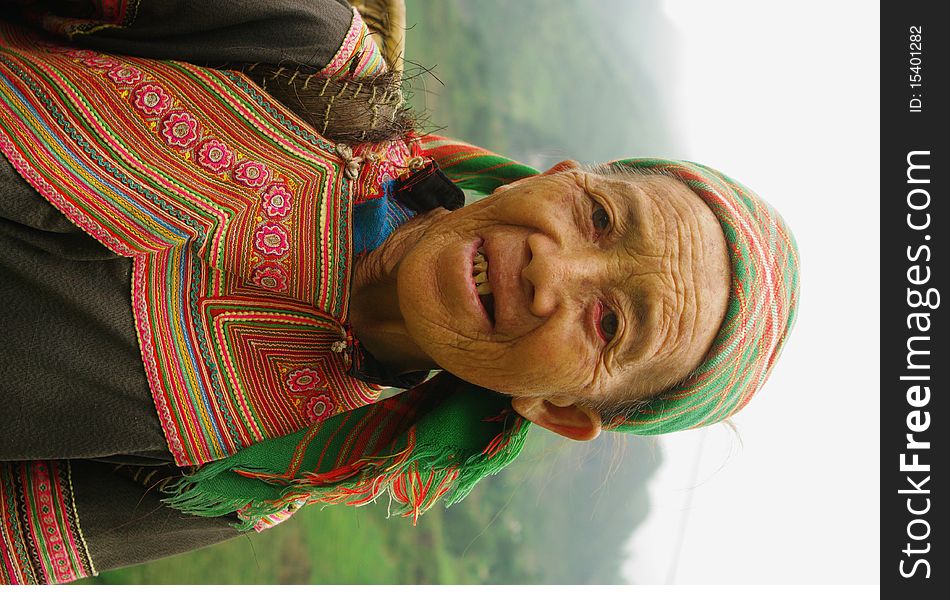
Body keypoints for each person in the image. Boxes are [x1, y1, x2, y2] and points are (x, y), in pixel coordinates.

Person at [0, 0, 800, 585]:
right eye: (597, 216)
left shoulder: (254, 471)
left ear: (558, 408)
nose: (551, 272)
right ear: (561, 175)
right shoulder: (310, 63)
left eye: (610, 322)